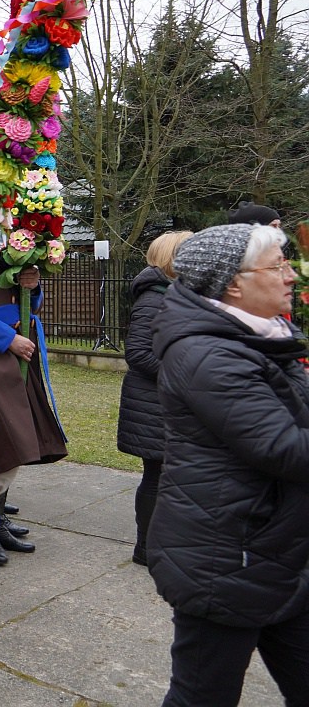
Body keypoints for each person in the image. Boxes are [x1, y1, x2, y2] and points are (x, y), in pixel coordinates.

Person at [148, 223, 309, 706]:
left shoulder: (265, 336)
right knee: (201, 697)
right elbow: (285, 449)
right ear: (233, 283)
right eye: (278, 265)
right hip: (225, 559)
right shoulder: (208, 353)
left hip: (277, 551)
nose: (291, 276)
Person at [0, 262, 67, 565]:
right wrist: (7, 339)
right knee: (3, 439)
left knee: (18, 437)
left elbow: (25, 301)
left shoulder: (13, 251)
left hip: (17, 351)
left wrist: (32, 287)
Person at [115, 230, 193, 566]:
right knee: (157, 474)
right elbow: (137, 353)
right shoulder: (154, 298)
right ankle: (146, 548)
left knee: (171, 475)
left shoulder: (178, 295)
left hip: (168, 401)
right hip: (153, 402)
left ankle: (163, 544)